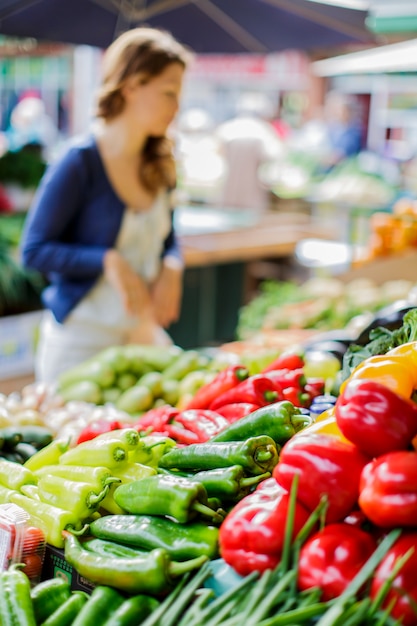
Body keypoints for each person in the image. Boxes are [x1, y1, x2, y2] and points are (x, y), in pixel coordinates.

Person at [21, 27, 192, 383]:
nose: (176, 107)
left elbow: (167, 237)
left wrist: (173, 264)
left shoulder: (160, 160)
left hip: (141, 339)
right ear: (132, 86)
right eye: (168, 93)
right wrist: (105, 260)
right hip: (80, 346)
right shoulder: (78, 162)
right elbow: (34, 251)